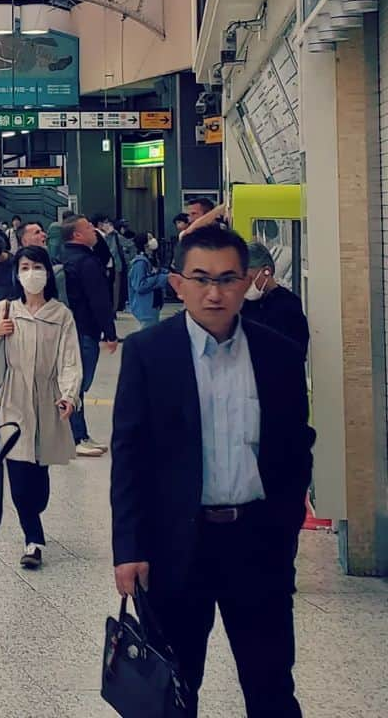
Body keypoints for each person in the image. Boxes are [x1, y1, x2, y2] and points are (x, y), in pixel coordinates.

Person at [111, 226, 315, 718]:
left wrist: (283, 526)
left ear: (248, 281)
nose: (215, 292)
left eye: (228, 279)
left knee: (271, 686)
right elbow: (130, 455)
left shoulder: (278, 354)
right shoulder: (149, 353)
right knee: (174, 691)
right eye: (201, 278)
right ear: (177, 283)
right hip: (177, 547)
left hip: (257, 543)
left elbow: (295, 446)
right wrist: (130, 548)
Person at [0, 247, 81, 569]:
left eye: (36, 266)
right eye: (24, 267)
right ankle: (33, 540)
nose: (31, 273)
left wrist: (69, 395)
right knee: (19, 469)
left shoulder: (60, 314)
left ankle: (33, 516)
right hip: (14, 397)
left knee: (39, 478)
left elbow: (70, 359)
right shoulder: (7, 309)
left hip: (48, 399)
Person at [61, 215, 117, 458]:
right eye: (87, 228)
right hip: (85, 331)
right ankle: (75, 436)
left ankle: (79, 433)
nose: (93, 230)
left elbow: (105, 256)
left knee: (76, 385)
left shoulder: (66, 257)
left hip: (70, 328)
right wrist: (110, 332)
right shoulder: (86, 263)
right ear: (76, 235)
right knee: (78, 385)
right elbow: (99, 300)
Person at [242, 242, 310, 355]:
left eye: (248, 278)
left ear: (266, 271)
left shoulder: (289, 306)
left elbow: (297, 351)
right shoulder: (244, 305)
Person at [126, 232, 170, 330]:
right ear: (144, 244)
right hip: (145, 306)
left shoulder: (150, 259)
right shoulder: (140, 263)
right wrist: (160, 278)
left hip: (154, 303)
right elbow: (140, 286)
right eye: (150, 238)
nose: (153, 240)